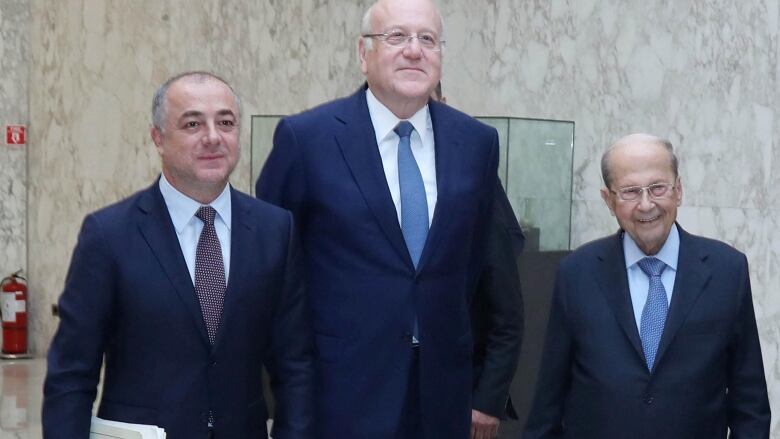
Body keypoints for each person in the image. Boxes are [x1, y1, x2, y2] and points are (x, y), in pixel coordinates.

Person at [255, 0, 500, 437]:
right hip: (340, 394)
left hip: (440, 396)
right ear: (362, 53)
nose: (414, 50)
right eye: (397, 37)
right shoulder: (307, 139)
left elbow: (476, 266)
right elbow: (272, 269)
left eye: (427, 39)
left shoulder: (476, 143)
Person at [42, 72, 313, 439]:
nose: (213, 137)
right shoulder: (109, 236)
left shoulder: (275, 230)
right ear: (158, 137)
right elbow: (71, 374)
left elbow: (295, 365)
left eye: (226, 122)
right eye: (192, 124)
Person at [523, 133, 770, 438]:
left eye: (658, 188)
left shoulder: (726, 271)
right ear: (608, 200)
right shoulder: (577, 273)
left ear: (678, 190)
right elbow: (548, 402)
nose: (646, 204)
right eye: (629, 192)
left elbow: (751, 405)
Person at [431, 82, 524, 439]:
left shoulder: (473, 177)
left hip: (457, 395)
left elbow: (506, 310)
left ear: (444, 104)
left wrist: (488, 398)